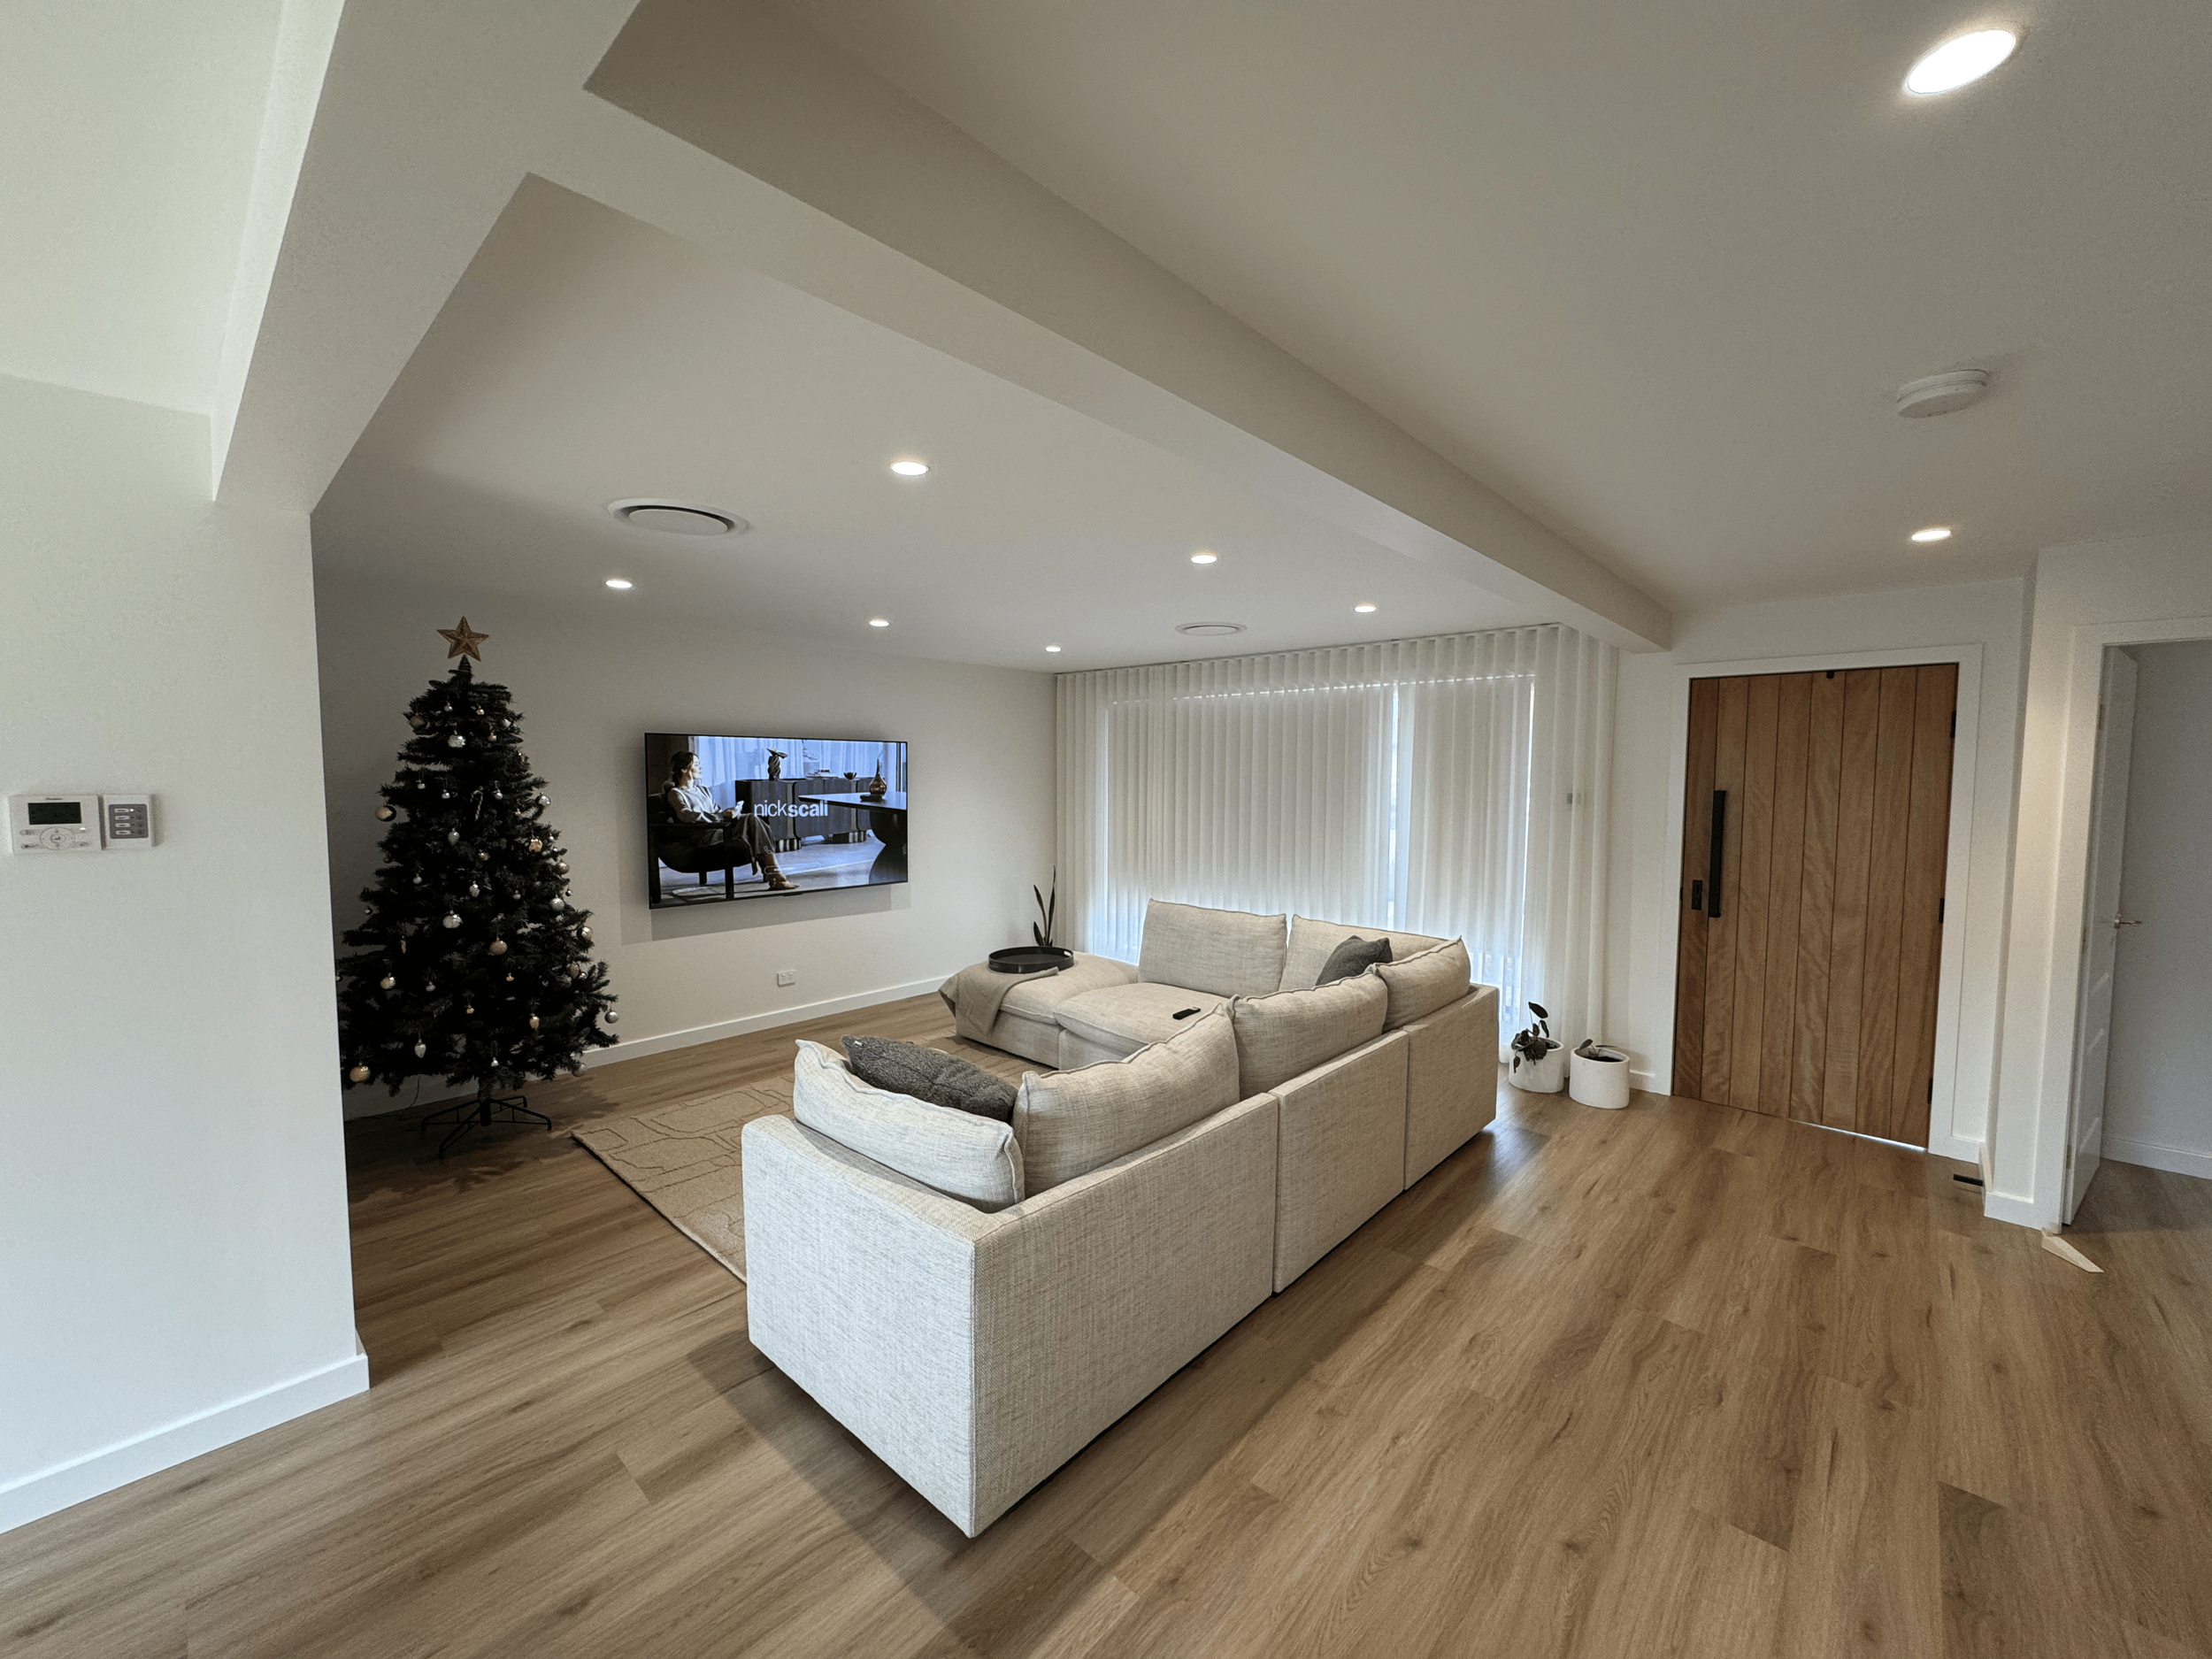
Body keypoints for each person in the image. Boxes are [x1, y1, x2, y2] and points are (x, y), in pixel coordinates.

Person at [664, 750, 796, 892]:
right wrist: (721, 816)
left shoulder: (703, 790)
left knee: (753, 821)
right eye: (697, 764)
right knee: (753, 822)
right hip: (706, 837)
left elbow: (716, 811)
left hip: (721, 829)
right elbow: (686, 815)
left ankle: (773, 872)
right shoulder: (676, 793)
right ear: (684, 769)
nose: (700, 767)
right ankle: (774, 873)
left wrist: (731, 812)